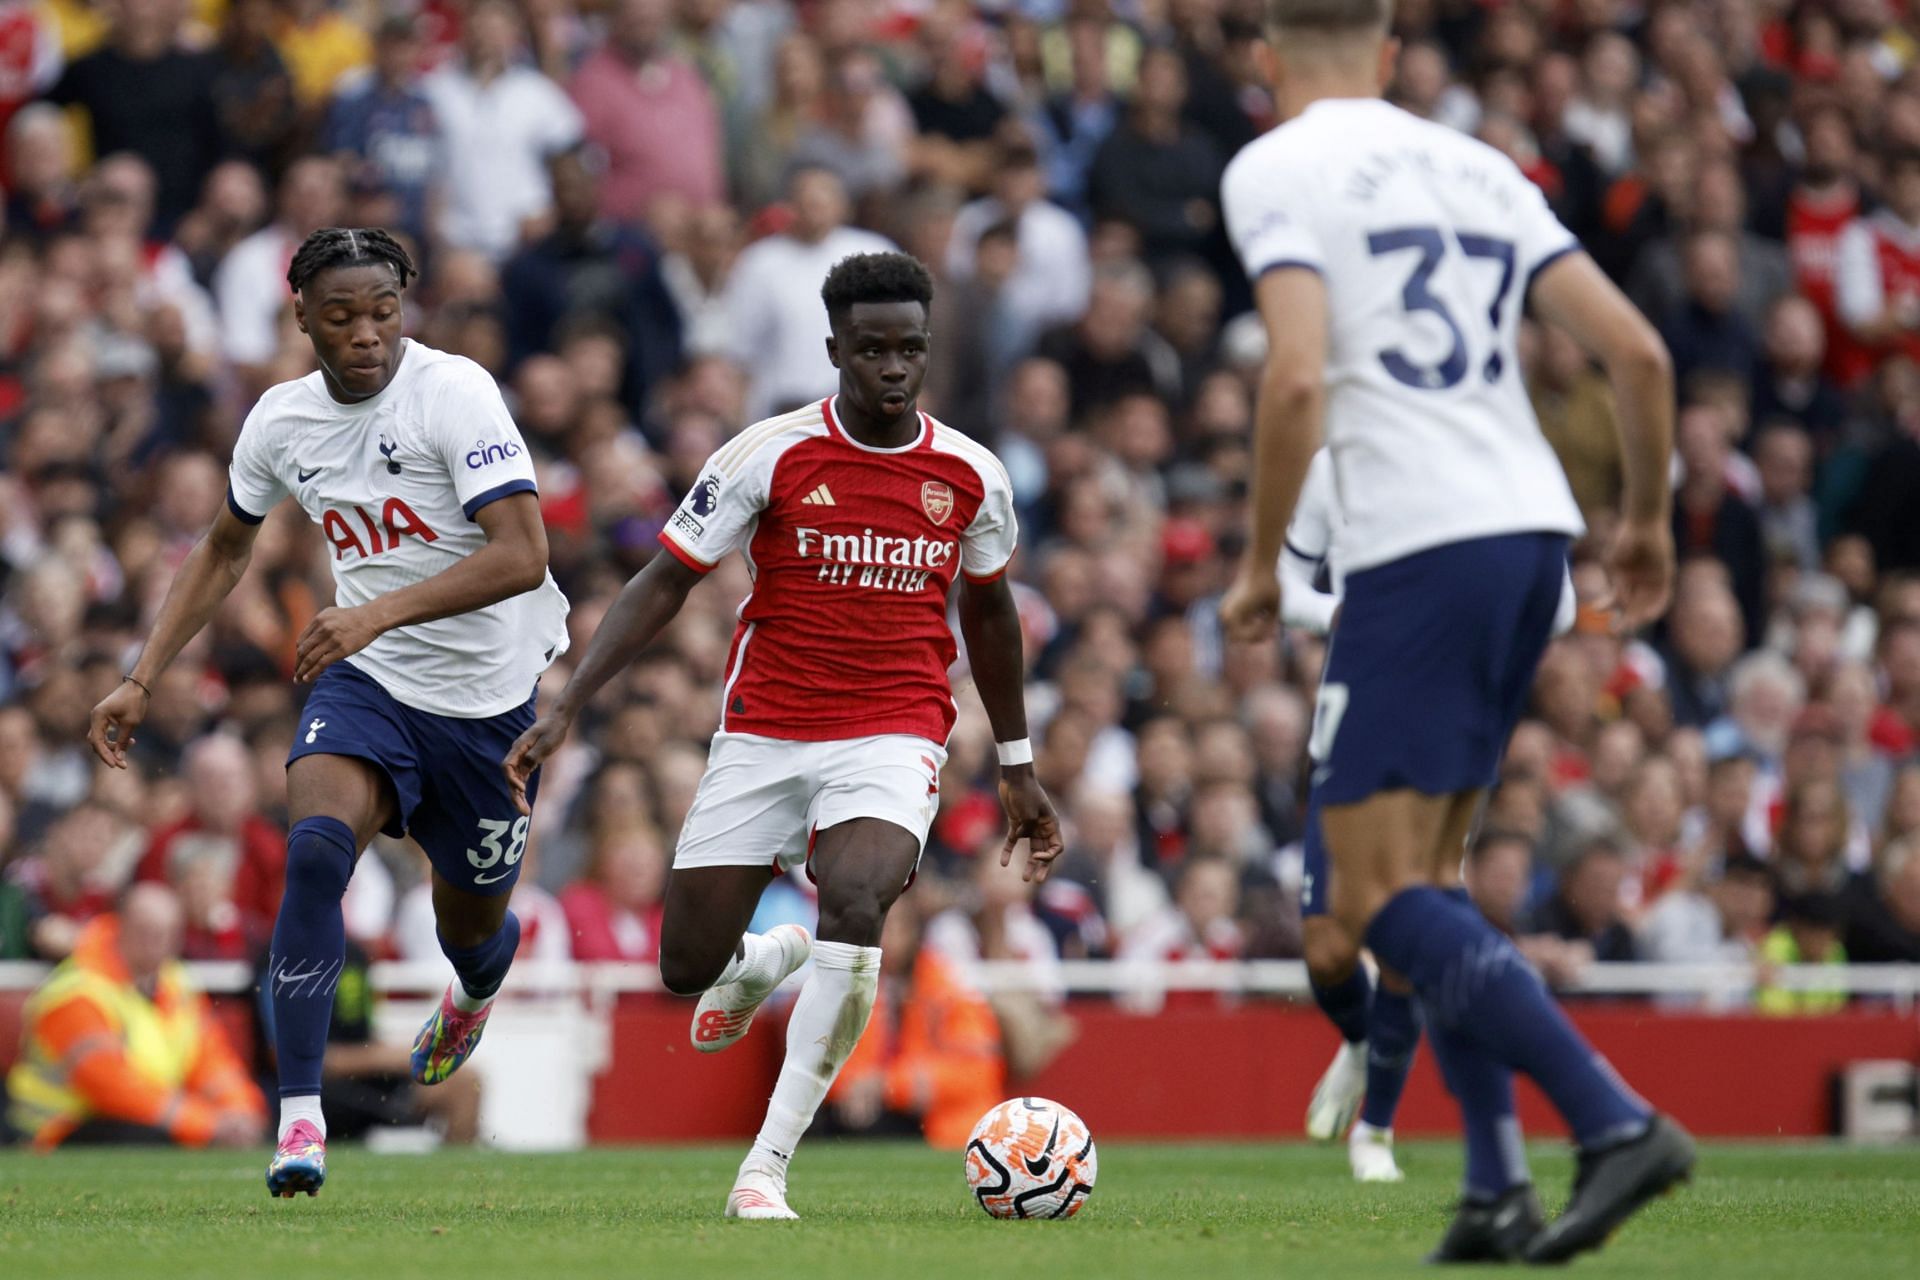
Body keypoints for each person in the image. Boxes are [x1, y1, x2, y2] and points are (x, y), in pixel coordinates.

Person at [1218, 0, 1692, 1264]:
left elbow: (1301, 377)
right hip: (1530, 536)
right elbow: (1639, 355)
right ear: (1386, 60)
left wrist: (1261, 565)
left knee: (1373, 899)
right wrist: (1645, 521)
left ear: (1268, 64)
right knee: (1422, 884)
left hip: (1416, 548)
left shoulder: (1276, 165)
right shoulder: (1480, 163)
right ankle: (1493, 1185)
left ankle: (1613, 1116)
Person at [505, 251, 1061, 1220]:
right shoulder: (768, 452)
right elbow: (666, 579)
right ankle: (770, 956)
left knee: (860, 892)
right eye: (874, 348)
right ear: (836, 348)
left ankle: (765, 1165)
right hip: (764, 731)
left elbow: (993, 616)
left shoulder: (971, 474)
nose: (894, 365)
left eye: (911, 349)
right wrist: (569, 699)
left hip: (895, 730)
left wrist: (1016, 761)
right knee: (685, 968)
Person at [85, 228, 569, 1198]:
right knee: (312, 850)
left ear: (405, 307)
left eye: (383, 312)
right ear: (301, 314)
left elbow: (522, 552)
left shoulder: (455, 392)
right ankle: (298, 1118)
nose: (366, 334)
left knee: (468, 924)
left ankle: (475, 981)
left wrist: (375, 608)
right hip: (368, 680)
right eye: (341, 316)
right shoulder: (280, 420)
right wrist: (143, 673)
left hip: (486, 706)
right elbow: (225, 548)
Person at [1282, 446, 1578, 1181]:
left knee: (1410, 917)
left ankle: (1376, 1129)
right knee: (1326, 946)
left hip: (1449, 719)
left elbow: (1562, 602)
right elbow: (1283, 583)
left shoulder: (1501, 464)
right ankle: (1360, 1042)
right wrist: (1339, 613)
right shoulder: (1335, 464)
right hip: (1352, 712)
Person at [5, 884, 265, 1149]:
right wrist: (206, 1124)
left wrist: (240, 1111)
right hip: (54, 1131)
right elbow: (109, 1085)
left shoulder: (176, 984)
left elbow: (213, 1063)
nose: (156, 942)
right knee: (150, 1138)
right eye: (146, 931)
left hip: (138, 1121)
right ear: (121, 926)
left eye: (166, 933)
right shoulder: (79, 990)